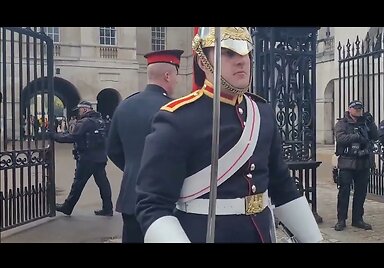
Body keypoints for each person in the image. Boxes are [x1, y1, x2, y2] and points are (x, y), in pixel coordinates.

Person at [135, 27, 323, 243]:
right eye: (229, 53)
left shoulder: (262, 113)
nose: (241, 60)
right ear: (203, 60)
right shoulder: (177, 119)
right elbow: (153, 204)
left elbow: (282, 185)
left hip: (261, 233)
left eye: (246, 53)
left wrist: (313, 239)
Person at [107, 49, 184, 243]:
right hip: (164, 199)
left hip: (130, 197)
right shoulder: (174, 109)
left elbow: (113, 149)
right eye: (176, 75)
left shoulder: (124, 105)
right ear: (168, 75)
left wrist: (134, 168)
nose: (177, 81)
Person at [52, 100, 113, 216]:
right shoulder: (100, 121)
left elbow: (72, 137)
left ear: (85, 109)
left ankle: (67, 207)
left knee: (78, 184)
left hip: (86, 158)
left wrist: (54, 136)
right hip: (100, 157)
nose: (79, 112)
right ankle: (108, 208)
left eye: (80, 110)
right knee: (103, 183)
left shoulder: (85, 122)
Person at [333, 100, 378, 231]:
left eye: (360, 109)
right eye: (356, 108)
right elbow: (341, 138)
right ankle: (341, 220)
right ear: (349, 109)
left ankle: (358, 219)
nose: (358, 111)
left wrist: (372, 123)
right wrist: (357, 136)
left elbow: (375, 137)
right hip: (347, 161)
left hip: (363, 162)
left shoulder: (365, 123)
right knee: (344, 192)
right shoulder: (342, 123)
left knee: (361, 192)